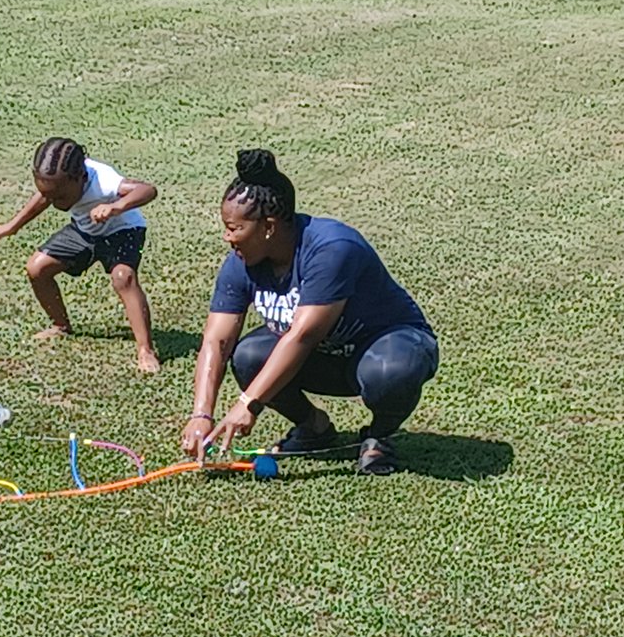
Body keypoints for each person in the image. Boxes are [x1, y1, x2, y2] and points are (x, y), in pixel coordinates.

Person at [180, 149, 438, 474]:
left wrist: (248, 404)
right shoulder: (241, 262)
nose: (227, 237)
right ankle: (314, 428)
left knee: (389, 372)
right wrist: (201, 414)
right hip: (327, 356)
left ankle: (379, 437)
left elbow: (302, 335)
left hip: (389, 345)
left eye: (234, 228)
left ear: (269, 227)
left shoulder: (331, 249)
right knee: (248, 356)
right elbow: (216, 342)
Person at [0, 137, 161, 373]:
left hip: (123, 230)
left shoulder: (103, 181)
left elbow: (148, 189)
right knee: (37, 268)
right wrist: (12, 226)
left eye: (60, 197)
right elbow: (43, 197)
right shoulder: (60, 181)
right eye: (50, 196)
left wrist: (116, 207)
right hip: (85, 230)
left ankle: (145, 350)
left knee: (123, 277)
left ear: (80, 179)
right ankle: (60, 325)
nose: (54, 203)